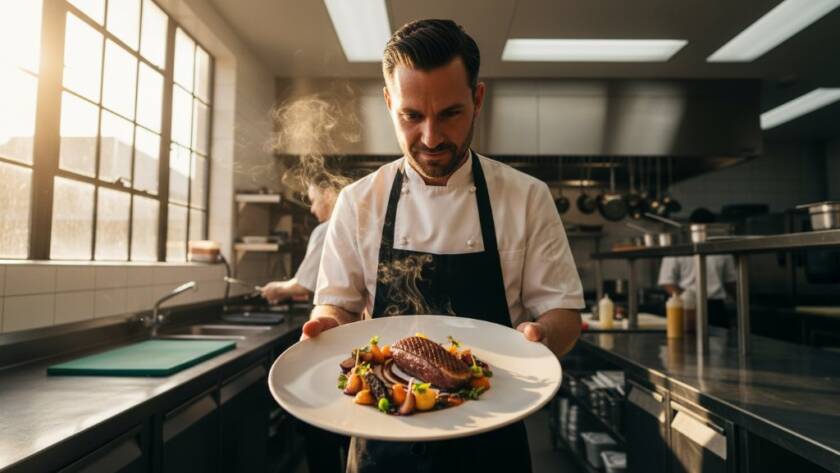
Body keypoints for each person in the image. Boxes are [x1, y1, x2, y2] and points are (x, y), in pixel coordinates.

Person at [304, 19, 584, 473]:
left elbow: (564, 315)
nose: (431, 138)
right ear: (389, 102)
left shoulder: (527, 197)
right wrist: (323, 326)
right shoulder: (358, 202)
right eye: (412, 116)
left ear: (477, 100)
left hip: (495, 439)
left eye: (450, 113)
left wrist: (542, 336)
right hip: (381, 442)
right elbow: (335, 307)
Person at [260, 173, 341, 303]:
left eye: (313, 200)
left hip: (331, 313)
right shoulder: (349, 226)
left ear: (328, 195)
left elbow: (305, 285)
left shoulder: (327, 230)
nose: (312, 210)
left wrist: (277, 289)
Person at [658, 208, 737, 328]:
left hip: (715, 308)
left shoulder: (723, 251)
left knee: (720, 343)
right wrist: (686, 299)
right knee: (689, 343)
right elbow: (667, 282)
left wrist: (743, 304)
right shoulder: (677, 250)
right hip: (687, 306)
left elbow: (731, 283)